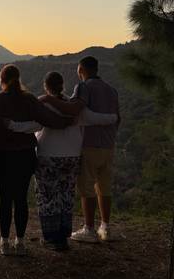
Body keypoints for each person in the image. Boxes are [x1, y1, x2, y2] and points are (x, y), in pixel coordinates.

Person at [8, 71, 118, 251]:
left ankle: (52, 238)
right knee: (66, 196)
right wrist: (113, 117)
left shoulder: (43, 104)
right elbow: (94, 118)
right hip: (72, 156)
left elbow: (34, 125)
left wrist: (11, 125)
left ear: (46, 86)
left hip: (48, 156)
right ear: (63, 85)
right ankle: (63, 236)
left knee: (47, 197)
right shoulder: (74, 106)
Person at [0, 64, 72, 256]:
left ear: (2, 81)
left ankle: (4, 241)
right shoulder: (30, 99)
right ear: (18, 79)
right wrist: (67, 121)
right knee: (21, 198)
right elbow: (47, 119)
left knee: (5, 199)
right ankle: (20, 241)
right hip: (25, 155)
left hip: (4, 155)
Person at [40, 57, 120, 243]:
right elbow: (118, 118)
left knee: (87, 189)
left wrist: (47, 99)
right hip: (108, 145)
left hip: (89, 144)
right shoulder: (112, 90)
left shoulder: (83, 87)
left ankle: (89, 229)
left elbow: (74, 109)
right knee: (105, 187)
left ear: (81, 69)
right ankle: (106, 227)